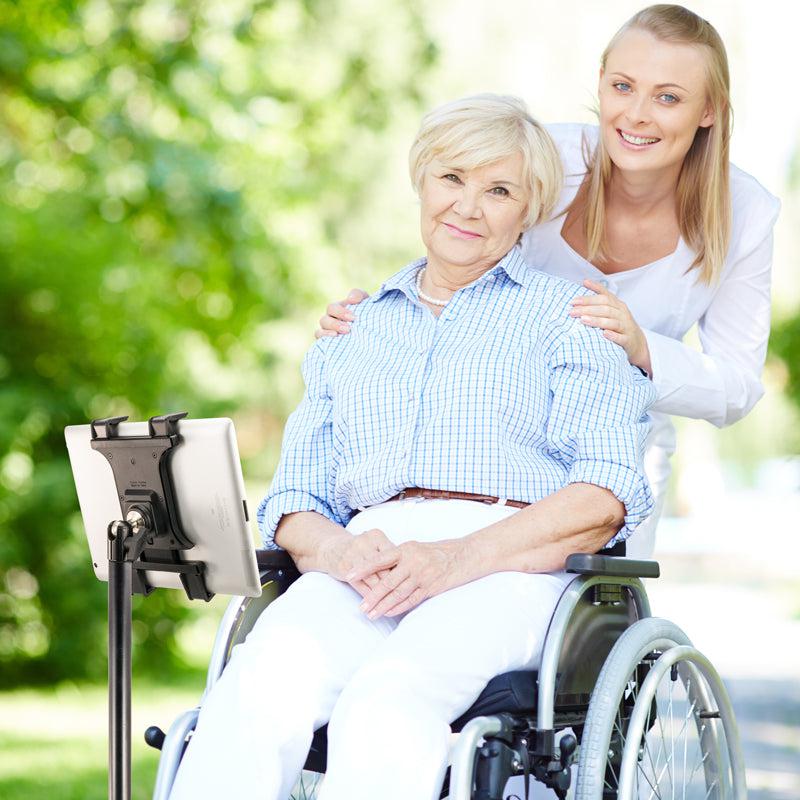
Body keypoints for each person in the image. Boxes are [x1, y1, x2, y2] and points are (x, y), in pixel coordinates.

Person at [169, 94, 655, 800]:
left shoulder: (570, 316)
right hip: (366, 560)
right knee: (252, 690)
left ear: (529, 210)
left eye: (499, 190)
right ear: (422, 181)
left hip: (508, 563)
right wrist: (336, 552)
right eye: (452, 178)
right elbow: (295, 501)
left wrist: (457, 558)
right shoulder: (355, 329)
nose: (468, 206)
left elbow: (603, 496)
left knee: (389, 702)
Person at [317, 4, 781, 559]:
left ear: (710, 111)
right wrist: (378, 320)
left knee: (595, 621)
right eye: (622, 86)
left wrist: (639, 348)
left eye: (668, 97)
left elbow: (734, 386)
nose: (636, 115)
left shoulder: (746, 212)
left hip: (614, 450)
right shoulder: (546, 158)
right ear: (601, 84)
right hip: (490, 436)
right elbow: (459, 240)